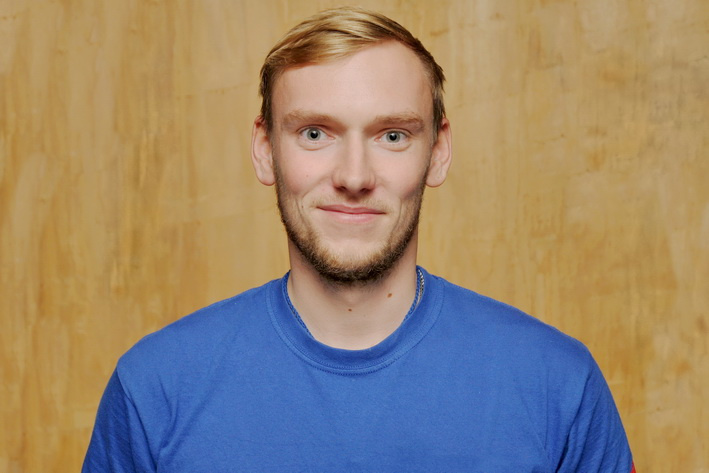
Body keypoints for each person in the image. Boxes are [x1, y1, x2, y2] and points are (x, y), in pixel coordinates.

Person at [83, 7, 635, 472]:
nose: (353, 176)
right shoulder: (154, 390)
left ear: (438, 151)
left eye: (392, 135)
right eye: (314, 133)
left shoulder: (558, 386)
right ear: (265, 149)